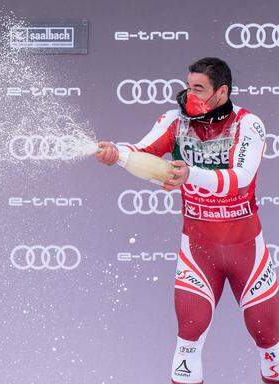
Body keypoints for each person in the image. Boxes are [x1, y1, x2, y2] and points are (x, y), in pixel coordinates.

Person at [96, 57, 277, 383]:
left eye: (199, 88)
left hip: (247, 253)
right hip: (198, 253)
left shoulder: (248, 124)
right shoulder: (173, 121)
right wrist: (116, 154)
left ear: (221, 92)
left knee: (269, 337)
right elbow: (142, 150)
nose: (190, 94)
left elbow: (241, 178)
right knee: (188, 337)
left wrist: (190, 174)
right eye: (188, 86)